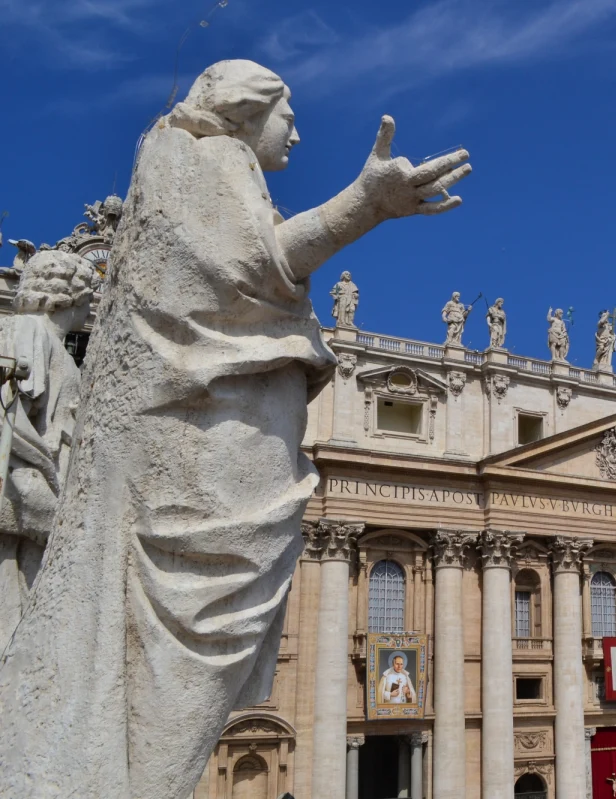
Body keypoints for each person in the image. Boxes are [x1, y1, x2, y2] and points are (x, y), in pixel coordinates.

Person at [0, 60, 470, 799]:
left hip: (212, 452)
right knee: (180, 673)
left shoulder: (212, 170)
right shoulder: (202, 156)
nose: (300, 129)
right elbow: (259, 266)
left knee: (181, 678)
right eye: (289, 113)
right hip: (201, 461)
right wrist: (365, 204)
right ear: (246, 111)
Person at [0, 250, 95, 649]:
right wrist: (51, 488)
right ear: (68, 297)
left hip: (47, 490)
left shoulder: (52, 345)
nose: (90, 305)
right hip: (30, 489)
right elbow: (11, 416)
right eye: (89, 296)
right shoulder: (28, 331)